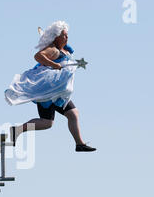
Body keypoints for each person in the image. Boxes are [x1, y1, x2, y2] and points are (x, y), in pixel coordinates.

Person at [5, 21, 96, 152]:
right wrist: (54, 64)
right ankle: (17, 130)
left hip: (57, 92)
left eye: (67, 35)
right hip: (48, 93)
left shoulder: (63, 50)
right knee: (48, 122)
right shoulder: (53, 49)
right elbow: (38, 56)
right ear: (56, 37)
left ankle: (79, 144)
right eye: (64, 35)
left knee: (71, 114)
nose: (67, 38)